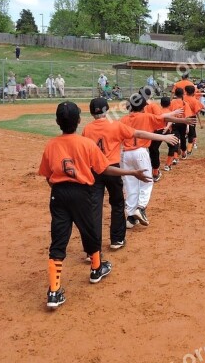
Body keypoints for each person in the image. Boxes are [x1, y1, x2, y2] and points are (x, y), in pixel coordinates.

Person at [38, 101, 151, 309]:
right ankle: (96, 269)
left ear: (57, 122)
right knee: (89, 230)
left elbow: (47, 176)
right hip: (82, 192)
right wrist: (132, 173)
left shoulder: (51, 144)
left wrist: (59, 188)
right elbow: (105, 168)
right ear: (79, 120)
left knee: (58, 237)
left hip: (58, 195)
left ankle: (54, 292)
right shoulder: (85, 143)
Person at [82, 97, 179, 250]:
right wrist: (163, 137)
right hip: (112, 168)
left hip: (95, 170)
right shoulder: (115, 125)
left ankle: (92, 249)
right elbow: (140, 134)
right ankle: (117, 239)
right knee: (118, 203)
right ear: (107, 110)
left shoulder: (87, 129)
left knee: (95, 207)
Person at [120, 91, 195, 226]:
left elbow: (163, 116)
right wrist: (183, 120)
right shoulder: (146, 116)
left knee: (130, 185)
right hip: (140, 153)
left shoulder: (123, 119)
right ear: (144, 106)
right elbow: (164, 119)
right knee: (147, 182)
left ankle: (130, 218)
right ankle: (141, 208)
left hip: (125, 154)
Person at [184, 84, 205, 155]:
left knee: (181, 133)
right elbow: (202, 107)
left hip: (181, 118)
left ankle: (181, 149)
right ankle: (189, 150)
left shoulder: (182, 98)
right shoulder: (194, 100)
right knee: (191, 134)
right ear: (193, 92)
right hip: (191, 118)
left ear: (185, 91)